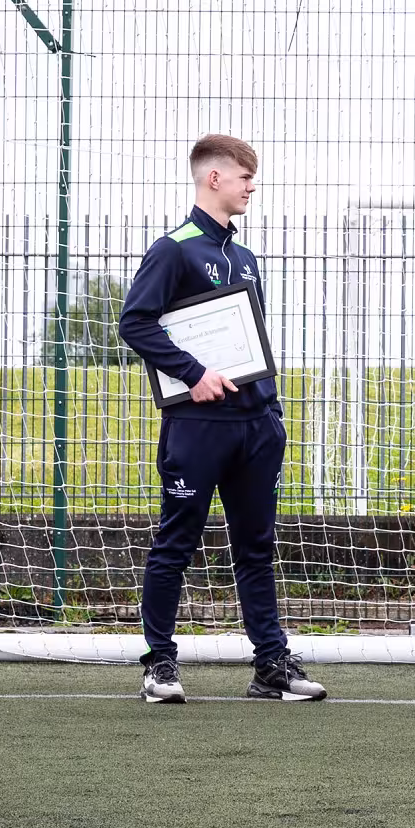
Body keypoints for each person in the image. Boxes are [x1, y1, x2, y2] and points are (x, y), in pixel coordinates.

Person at [118, 134, 326, 704]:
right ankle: (159, 665)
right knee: (176, 544)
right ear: (214, 179)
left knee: (257, 546)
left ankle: (271, 667)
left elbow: (251, 345)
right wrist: (193, 373)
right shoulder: (174, 249)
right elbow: (135, 324)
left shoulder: (245, 257)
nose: (251, 188)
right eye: (244, 178)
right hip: (198, 427)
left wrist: (272, 414)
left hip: (256, 428)